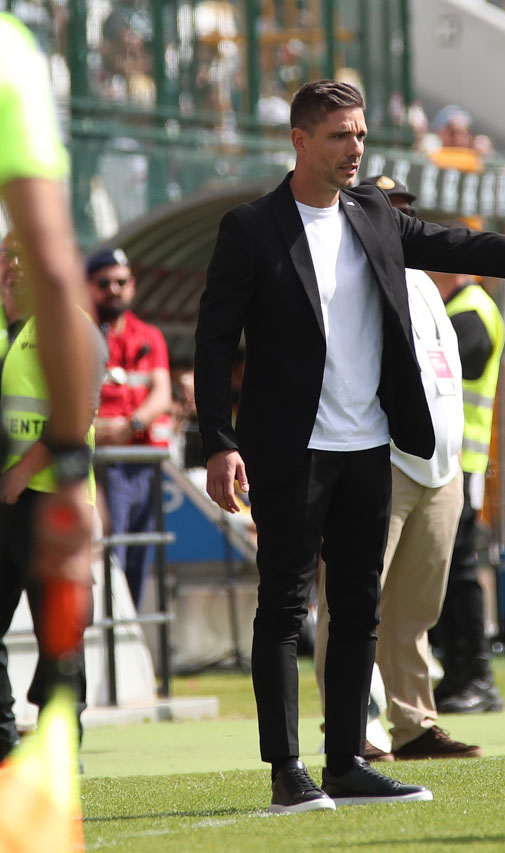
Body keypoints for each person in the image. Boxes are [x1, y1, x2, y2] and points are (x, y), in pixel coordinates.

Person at [194, 79, 505, 814]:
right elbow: (213, 343)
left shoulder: (373, 212)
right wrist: (219, 440)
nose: (356, 148)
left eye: (362, 134)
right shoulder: (250, 228)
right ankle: (287, 772)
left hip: (373, 446)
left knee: (361, 610)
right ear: (300, 141)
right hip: (290, 451)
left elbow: (467, 245)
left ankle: (346, 762)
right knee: (283, 609)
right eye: (340, 136)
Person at [310, 175, 481, 760]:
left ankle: (412, 723)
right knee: (351, 602)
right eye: (388, 209)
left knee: (415, 608)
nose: (398, 221)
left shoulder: (429, 287)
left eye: (405, 211)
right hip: (379, 460)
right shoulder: (348, 277)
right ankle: (350, 727)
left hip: (441, 465)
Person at [0, 10, 99, 699]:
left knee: (55, 645)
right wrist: (70, 470)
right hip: (33, 491)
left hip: (22, 492)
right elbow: (57, 261)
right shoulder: (12, 55)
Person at [0, 231, 105, 762]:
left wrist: (19, 475)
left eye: (26, 257)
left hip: (52, 500)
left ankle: (61, 741)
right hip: (5, 505)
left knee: (58, 636)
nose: (14, 267)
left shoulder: (70, 327)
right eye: (7, 257)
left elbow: (76, 413)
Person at [431, 269, 505, 714]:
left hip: (462, 463)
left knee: (461, 571)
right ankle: (462, 674)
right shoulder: (460, 308)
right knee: (452, 572)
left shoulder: (471, 311)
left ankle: (477, 677)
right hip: (453, 462)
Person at [88, 247, 172, 608]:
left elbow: (162, 393)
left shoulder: (148, 335)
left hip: (144, 463)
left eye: (121, 282)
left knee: (139, 558)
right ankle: (107, 641)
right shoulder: (79, 334)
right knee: (109, 556)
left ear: (132, 285)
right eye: (104, 282)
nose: (114, 289)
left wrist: (131, 424)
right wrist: (95, 427)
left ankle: (128, 641)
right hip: (100, 465)